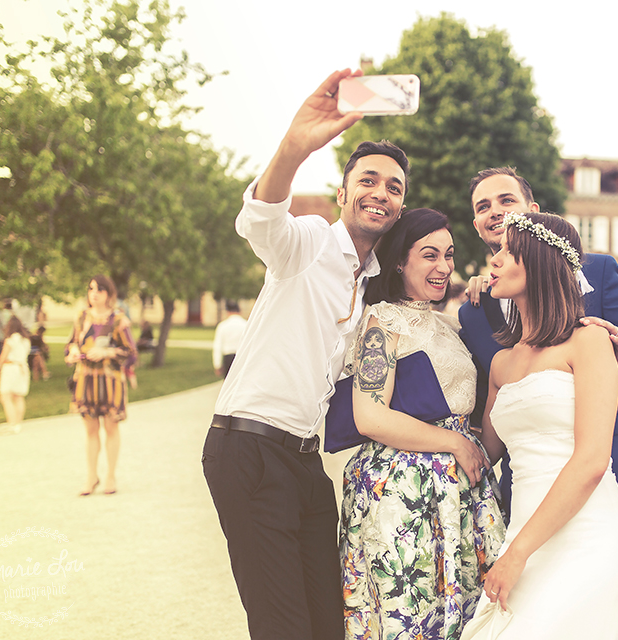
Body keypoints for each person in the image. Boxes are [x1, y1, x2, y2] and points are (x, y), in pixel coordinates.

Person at [201, 68, 408, 640]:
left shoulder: (372, 287)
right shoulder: (310, 242)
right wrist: (296, 145)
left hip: (305, 462)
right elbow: (261, 221)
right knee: (283, 626)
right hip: (248, 448)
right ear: (343, 193)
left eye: (394, 188)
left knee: (330, 623)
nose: (381, 193)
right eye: (369, 180)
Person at [458, 166, 618, 640]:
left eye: (504, 201)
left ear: (532, 211)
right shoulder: (476, 310)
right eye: (482, 207)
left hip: (601, 497)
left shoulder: (596, 283)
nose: (494, 213)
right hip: (525, 505)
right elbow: (486, 437)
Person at [340, 208, 505, 640]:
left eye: (448, 255)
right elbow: (369, 414)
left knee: (471, 615)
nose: (443, 266)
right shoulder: (382, 323)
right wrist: (455, 442)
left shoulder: (449, 324)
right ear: (399, 261)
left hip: (461, 491)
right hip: (403, 491)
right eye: (429, 255)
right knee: (411, 618)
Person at [65, 275, 137, 497]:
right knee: (90, 430)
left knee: (111, 427)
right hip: (86, 378)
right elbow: (70, 346)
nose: (93, 293)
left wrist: (106, 352)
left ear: (109, 294)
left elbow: (131, 353)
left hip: (110, 380)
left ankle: (111, 476)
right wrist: (74, 353)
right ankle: (91, 476)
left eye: (99, 289)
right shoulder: (81, 318)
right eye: (91, 289)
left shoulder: (118, 320)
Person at [0, 316, 32, 435]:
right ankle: (17, 423)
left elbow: (4, 355)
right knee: (18, 396)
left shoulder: (10, 340)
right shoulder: (25, 340)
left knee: (6, 396)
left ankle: (11, 423)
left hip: (11, 368)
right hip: (22, 367)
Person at [212, 300, 246, 378]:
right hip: (241, 357)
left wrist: (217, 364)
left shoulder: (223, 325)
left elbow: (218, 345)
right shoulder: (245, 324)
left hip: (228, 357)